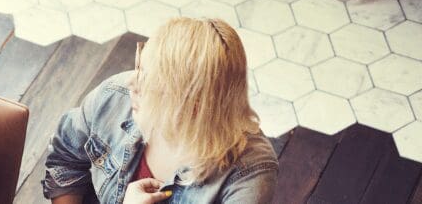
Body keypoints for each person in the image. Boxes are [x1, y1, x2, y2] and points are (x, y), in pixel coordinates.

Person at [43, 17, 278, 204]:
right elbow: (66, 161)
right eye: (140, 66)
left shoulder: (249, 175)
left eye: (149, 81)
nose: (131, 83)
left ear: (192, 105)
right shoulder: (115, 97)